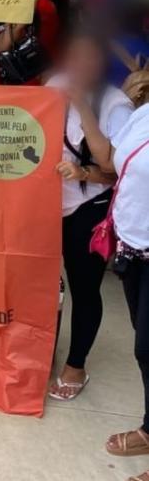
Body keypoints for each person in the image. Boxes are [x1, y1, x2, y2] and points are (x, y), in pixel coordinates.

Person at [46, 32, 135, 401]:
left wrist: (83, 105)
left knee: (84, 288)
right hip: (46, 204)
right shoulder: (52, 88)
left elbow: (115, 168)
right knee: (43, 284)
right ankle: (39, 348)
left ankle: (76, 365)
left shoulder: (116, 105)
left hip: (90, 207)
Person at [101, 71, 149, 467]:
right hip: (132, 249)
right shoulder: (142, 113)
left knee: (148, 347)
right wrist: (86, 103)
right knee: (146, 348)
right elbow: (110, 161)